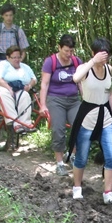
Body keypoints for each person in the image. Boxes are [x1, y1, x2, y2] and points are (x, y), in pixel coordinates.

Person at [67, 38, 112, 205]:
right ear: (94, 53)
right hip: (87, 116)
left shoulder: (109, 69)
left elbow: (109, 93)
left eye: (107, 56)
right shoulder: (84, 69)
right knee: (82, 155)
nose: (104, 59)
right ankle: (77, 188)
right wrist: (93, 61)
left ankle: (108, 192)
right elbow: (76, 79)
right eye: (101, 55)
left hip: (105, 115)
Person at [39, 34, 83, 176]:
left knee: (79, 127)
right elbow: (44, 84)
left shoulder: (77, 62)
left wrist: (86, 100)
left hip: (73, 100)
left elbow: (81, 83)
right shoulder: (50, 62)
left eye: (71, 51)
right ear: (59, 48)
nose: (69, 54)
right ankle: (59, 163)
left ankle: (72, 154)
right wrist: (43, 105)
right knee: (58, 129)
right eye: (66, 51)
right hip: (55, 99)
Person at [0, 45, 37, 134]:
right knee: (4, 93)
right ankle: (15, 123)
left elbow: (34, 79)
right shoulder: (3, 65)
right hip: (3, 87)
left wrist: (29, 86)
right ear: (8, 57)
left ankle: (25, 124)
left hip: (19, 89)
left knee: (25, 95)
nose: (17, 60)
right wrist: (9, 88)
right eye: (14, 58)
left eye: (18, 57)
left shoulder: (25, 67)